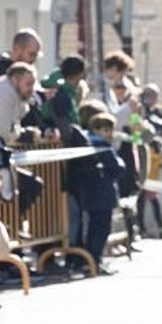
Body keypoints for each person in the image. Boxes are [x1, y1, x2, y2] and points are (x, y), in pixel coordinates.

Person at [64, 110, 126, 273]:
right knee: (101, 229)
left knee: (92, 228)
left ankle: (89, 261)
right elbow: (117, 168)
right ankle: (94, 261)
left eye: (111, 130)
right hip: (103, 194)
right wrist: (120, 163)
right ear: (96, 130)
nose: (110, 134)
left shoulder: (87, 145)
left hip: (89, 194)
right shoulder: (102, 147)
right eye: (106, 130)